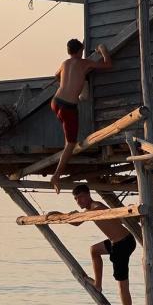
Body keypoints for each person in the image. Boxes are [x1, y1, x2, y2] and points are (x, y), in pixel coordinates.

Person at [53, 184, 136, 305]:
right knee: (94, 250)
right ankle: (98, 284)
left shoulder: (96, 206)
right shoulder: (88, 210)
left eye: (79, 198)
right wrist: (58, 214)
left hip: (122, 244)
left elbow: (93, 213)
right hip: (119, 241)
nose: (78, 202)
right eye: (76, 199)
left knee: (122, 285)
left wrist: (77, 215)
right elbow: (77, 223)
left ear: (87, 195)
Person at [50, 39, 112, 193]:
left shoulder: (65, 63)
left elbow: (56, 75)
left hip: (55, 102)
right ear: (81, 50)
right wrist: (102, 50)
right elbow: (108, 65)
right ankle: (56, 175)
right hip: (68, 107)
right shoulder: (86, 63)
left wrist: (75, 80)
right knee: (70, 144)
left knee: (68, 129)